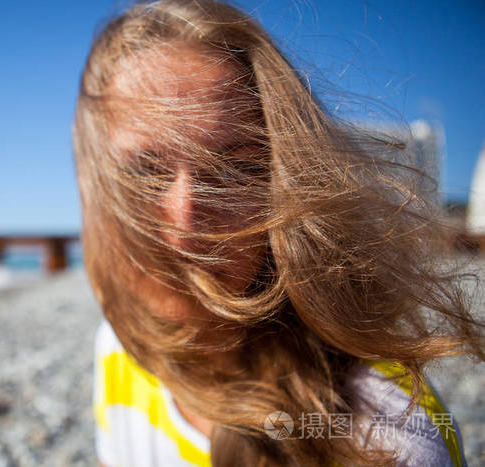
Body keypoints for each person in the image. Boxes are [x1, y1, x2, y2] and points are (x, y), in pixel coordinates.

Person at [71, 1, 485, 465]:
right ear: (98, 186)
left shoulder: (390, 437)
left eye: (234, 168)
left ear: (286, 181)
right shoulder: (121, 346)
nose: (186, 221)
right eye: (145, 173)